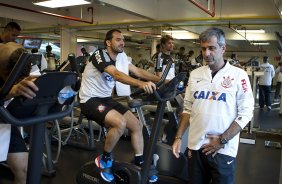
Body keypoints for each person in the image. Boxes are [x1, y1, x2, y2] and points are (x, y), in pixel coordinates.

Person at [172, 27, 254, 184]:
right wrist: (178, 137)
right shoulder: (196, 74)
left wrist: (222, 140)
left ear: (223, 48)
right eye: (203, 49)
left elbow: (246, 112)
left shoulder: (239, 76)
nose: (206, 53)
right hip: (195, 147)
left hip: (223, 150)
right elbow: (188, 109)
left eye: (211, 48)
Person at [79, 29, 160, 183]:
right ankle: (105, 159)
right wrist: (140, 84)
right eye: (118, 39)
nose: (122, 42)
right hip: (89, 100)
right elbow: (116, 74)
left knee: (137, 125)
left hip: (106, 99)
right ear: (108, 42)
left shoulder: (121, 57)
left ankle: (140, 161)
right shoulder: (99, 55)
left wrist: (161, 80)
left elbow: (137, 70)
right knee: (119, 123)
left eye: (123, 39)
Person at [0, 42, 39, 184]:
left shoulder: (24, 58)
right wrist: (8, 92)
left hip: (3, 119)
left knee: (23, 169)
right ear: (3, 71)